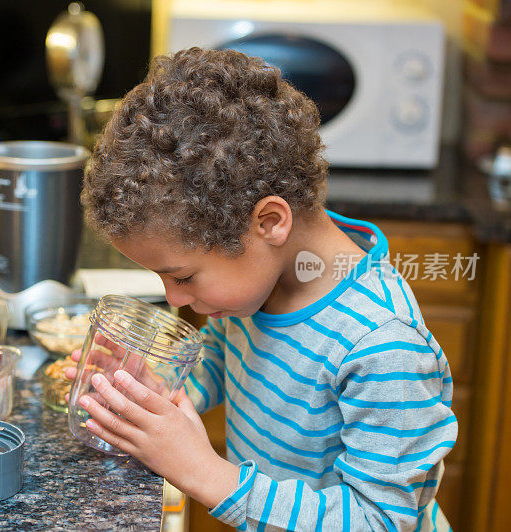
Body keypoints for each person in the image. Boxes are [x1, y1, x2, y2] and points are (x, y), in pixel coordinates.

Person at [69, 47, 457, 531]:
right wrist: (155, 391)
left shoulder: (383, 346)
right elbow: (227, 358)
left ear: (269, 222)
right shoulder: (258, 279)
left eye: (182, 276)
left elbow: (380, 521)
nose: (172, 298)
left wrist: (204, 472)